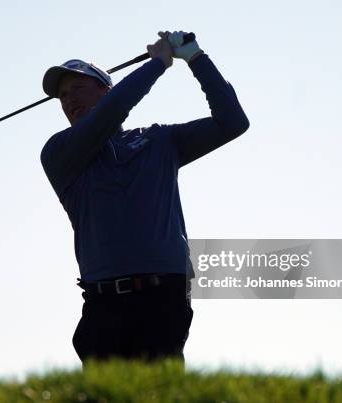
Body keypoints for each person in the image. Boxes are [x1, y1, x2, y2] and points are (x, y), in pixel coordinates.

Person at [40, 30, 250, 365]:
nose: (69, 100)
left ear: (105, 89)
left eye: (77, 88)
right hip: (103, 303)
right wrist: (157, 65)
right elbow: (110, 114)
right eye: (62, 96)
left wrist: (195, 57)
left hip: (164, 297)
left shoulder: (160, 141)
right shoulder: (59, 152)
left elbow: (233, 122)